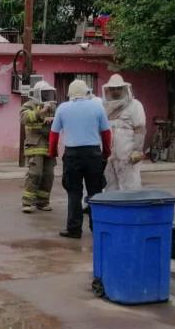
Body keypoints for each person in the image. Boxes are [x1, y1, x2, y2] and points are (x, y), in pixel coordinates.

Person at [48, 79, 112, 239]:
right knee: (95, 192)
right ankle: (96, 227)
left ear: (70, 94)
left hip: (72, 155)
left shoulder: (63, 108)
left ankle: (74, 229)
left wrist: (52, 152)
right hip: (93, 154)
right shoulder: (97, 107)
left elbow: (54, 134)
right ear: (86, 92)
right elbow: (106, 133)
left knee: (74, 192)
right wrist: (106, 153)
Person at [102, 74, 146, 191]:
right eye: (112, 89)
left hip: (128, 153)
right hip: (109, 154)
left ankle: (133, 209)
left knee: (131, 186)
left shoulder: (135, 105)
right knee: (110, 186)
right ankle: (113, 209)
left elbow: (140, 129)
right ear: (108, 90)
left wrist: (137, 150)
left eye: (118, 88)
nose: (115, 91)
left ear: (124, 89)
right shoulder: (103, 106)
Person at [20, 81, 58, 213]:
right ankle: (27, 202)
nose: (48, 96)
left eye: (49, 93)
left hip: (49, 144)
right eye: (45, 93)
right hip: (35, 145)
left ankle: (42, 202)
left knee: (48, 175)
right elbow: (23, 118)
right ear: (37, 94)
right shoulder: (29, 105)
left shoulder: (53, 106)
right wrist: (40, 113)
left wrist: (53, 118)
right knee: (35, 173)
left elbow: (60, 119)